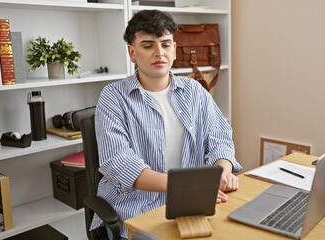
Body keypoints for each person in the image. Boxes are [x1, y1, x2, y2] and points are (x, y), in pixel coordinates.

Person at [91, 9, 243, 239]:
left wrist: (223, 169)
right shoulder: (113, 97)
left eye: (166, 44)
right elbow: (120, 164)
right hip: (137, 207)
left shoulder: (194, 91)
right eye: (148, 45)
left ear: (174, 50)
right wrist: (188, 188)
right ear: (132, 53)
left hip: (195, 204)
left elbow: (219, 137)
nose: (159, 52)